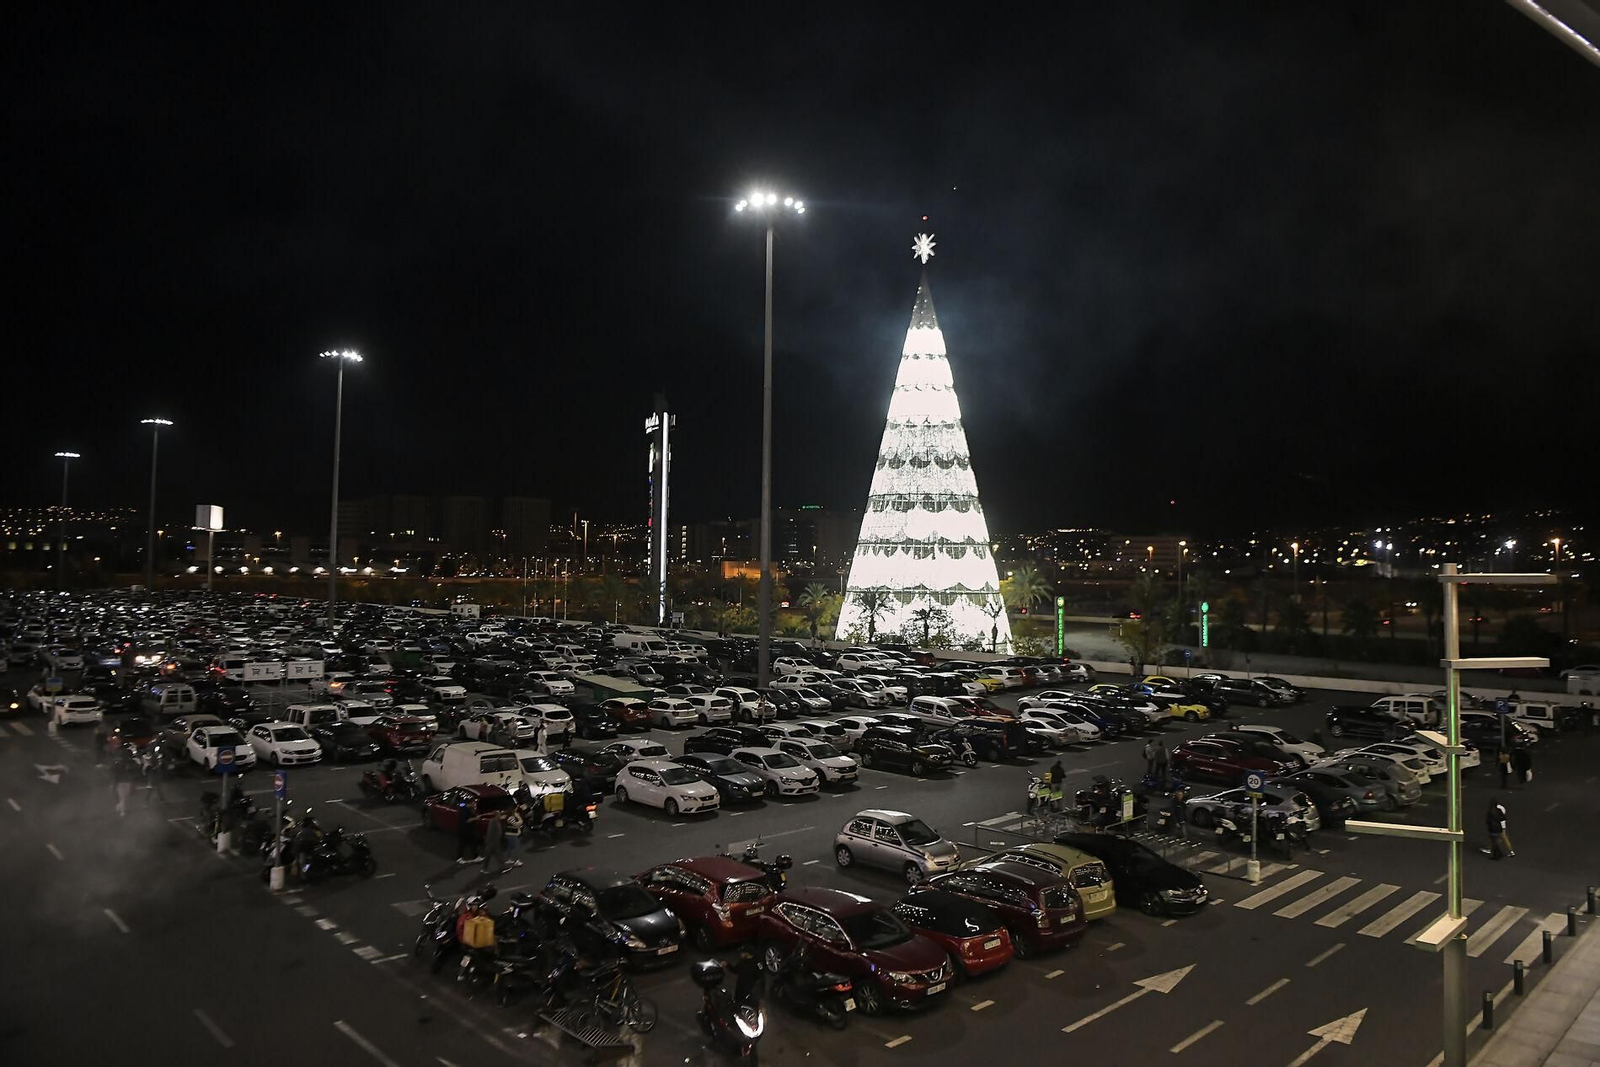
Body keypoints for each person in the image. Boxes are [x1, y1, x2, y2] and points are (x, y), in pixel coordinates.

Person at [481, 809, 507, 874]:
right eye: (499, 814)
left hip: (494, 841)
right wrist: (488, 841)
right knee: (498, 855)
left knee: (489, 855)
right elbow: (490, 832)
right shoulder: (493, 822)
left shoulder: (495, 820)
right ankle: (502, 868)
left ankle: (484, 869)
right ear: (496, 815)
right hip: (493, 842)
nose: (500, 815)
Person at [455, 795, 477, 865]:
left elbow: (461, 804)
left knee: (472, 843)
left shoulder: (465, 807)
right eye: (474, 803)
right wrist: (475, 818)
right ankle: (459, 858)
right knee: (462, 844)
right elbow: (467, 820)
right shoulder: (464, 810)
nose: (475, 804)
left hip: (468, 830)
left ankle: (476, 856)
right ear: (470, 803)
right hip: (464, 830)